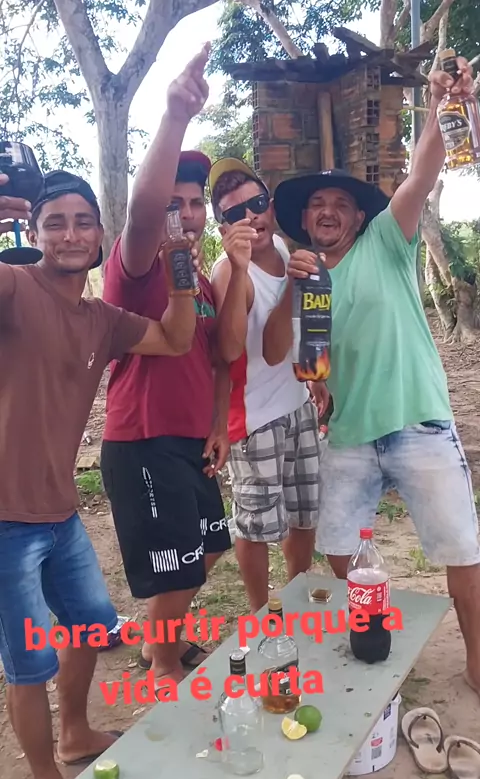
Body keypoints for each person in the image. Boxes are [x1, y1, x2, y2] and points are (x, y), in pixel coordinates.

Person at [0, 165, 197, 779]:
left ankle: (77, 732)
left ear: (100, 233)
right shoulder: (14, 286)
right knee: (29, 662)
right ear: (33, 232)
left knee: (87, 626)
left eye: (83, 222)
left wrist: (180, 272)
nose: (71, 234)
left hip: (59, 510)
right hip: (4, 519)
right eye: (54, 222)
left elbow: (175, 339)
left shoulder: (101, 319)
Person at [269, 58, 480, 696]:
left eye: (341, 204)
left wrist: (440, 107)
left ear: (359, 219)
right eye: (318, 205)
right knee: (338, 545)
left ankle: (477, 662)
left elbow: (421, 175)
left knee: (461, 548)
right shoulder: (305, 277)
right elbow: (299, 357)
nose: (329, 211)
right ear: (306, 221)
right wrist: (314, 372)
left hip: (418, 420)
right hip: (350, 433)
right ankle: (371, 627)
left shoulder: (387, 239)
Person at [101, 45, 231, 687]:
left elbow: (215, 360)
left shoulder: (199, 283)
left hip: (190, 440)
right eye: (174, 201)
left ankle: (162, 644)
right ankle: (162, 667)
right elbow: (143, 212)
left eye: (195, 201)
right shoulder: (135, 269)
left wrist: (218, 425)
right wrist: (177, 113)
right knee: (176, 566)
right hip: (144, 441)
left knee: (207, 551)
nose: (185, 211)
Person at [208, 158, 329, 613]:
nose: (250, 217)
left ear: (271, 206)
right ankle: (262, 612)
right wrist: (245, 271)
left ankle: (297, 596)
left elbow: (300, 329)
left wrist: (315, 377)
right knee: (255, 525)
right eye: (234, 213)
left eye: (257, 203)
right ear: (223, 226)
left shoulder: (280, 245)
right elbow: (239, 350)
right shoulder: (227, 273)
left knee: (303, 513)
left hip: (297, 403)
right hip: (254, 417)